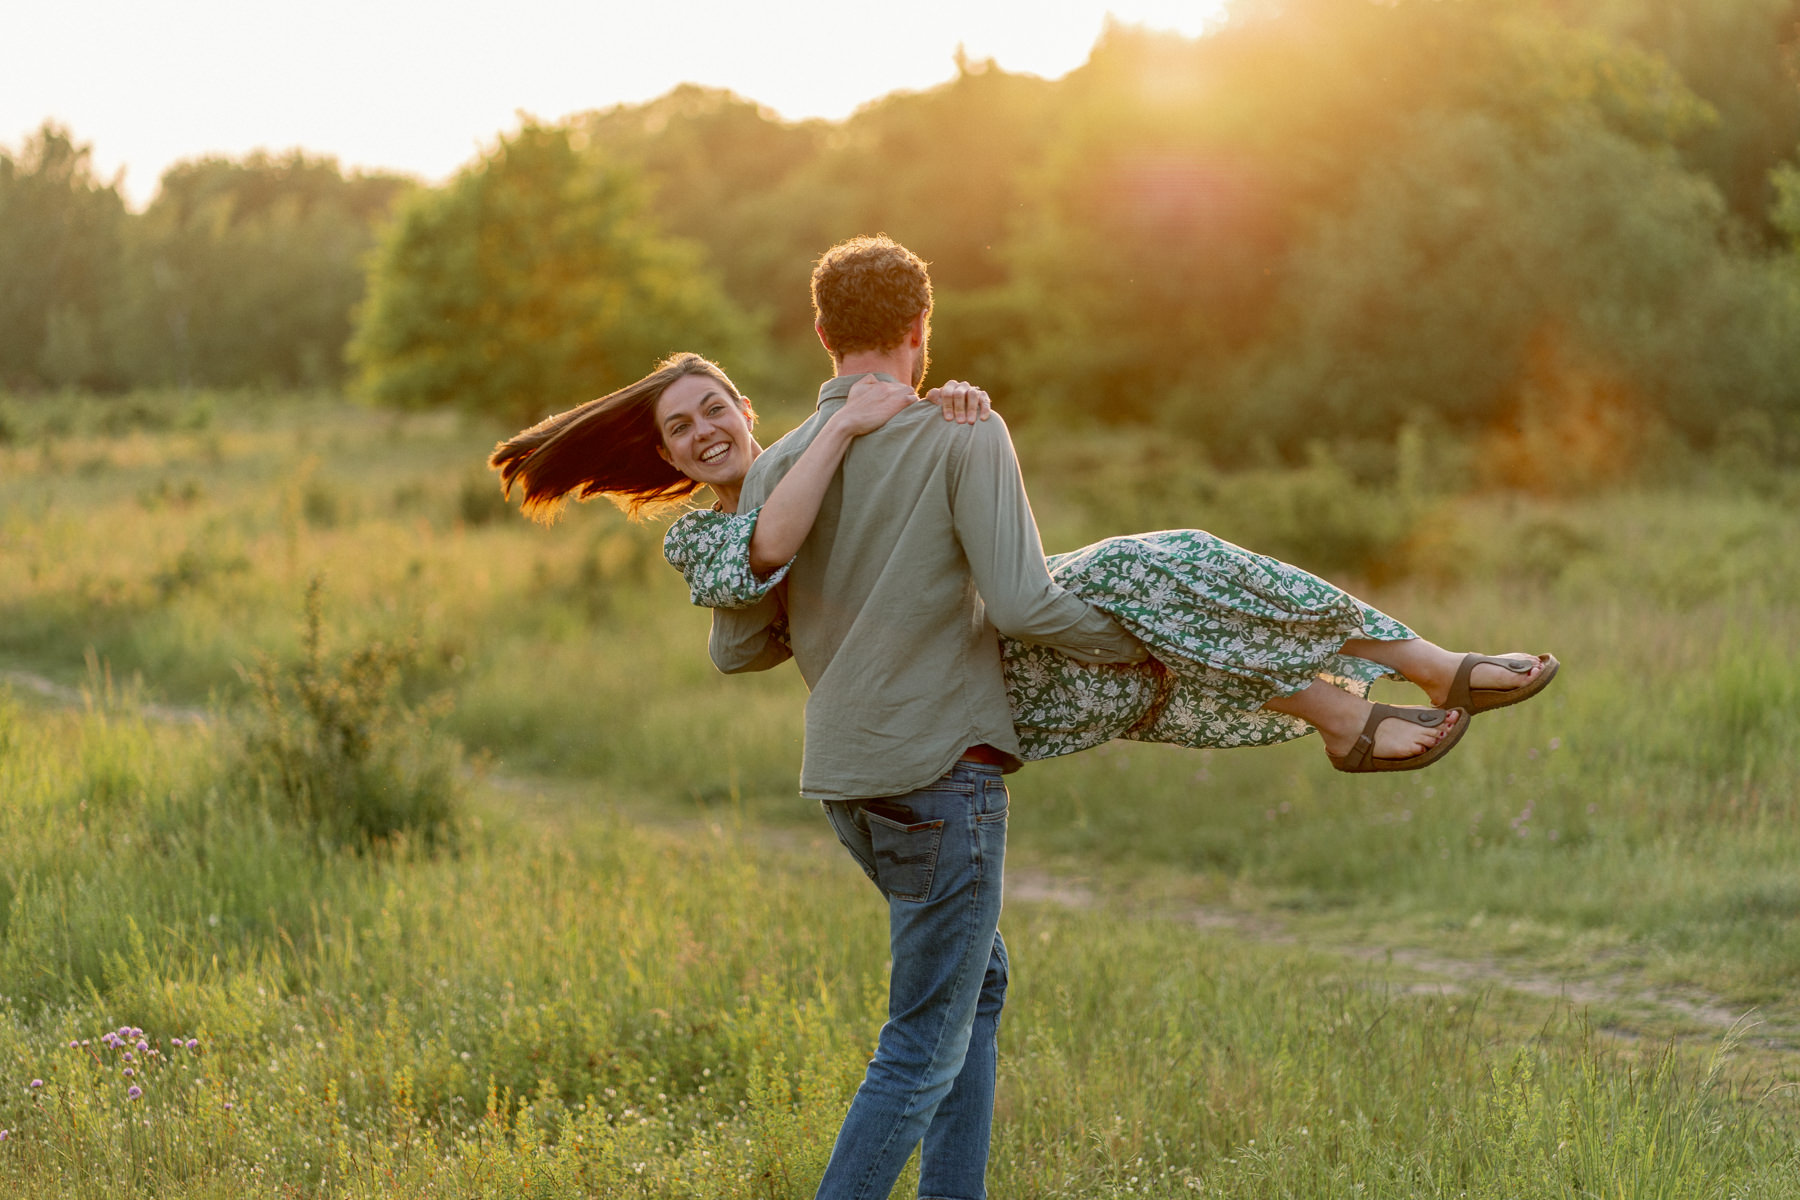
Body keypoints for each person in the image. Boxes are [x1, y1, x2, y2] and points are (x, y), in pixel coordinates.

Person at [489, 238, 1556, 1199]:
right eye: (685, 424)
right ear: (920, 333)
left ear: (820, 338)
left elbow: (742, 640)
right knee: (919, 1043)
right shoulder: (954, 428)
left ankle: (1353, 705)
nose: (704, 430)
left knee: (977, 993)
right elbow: (1025, 605)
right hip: (937, 769)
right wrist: (1150, 638)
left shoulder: (771, 482)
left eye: (708, 410)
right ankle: (1397, 679)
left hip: (852, 787)